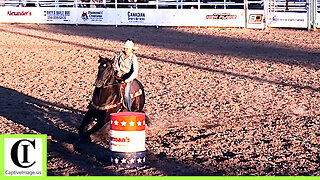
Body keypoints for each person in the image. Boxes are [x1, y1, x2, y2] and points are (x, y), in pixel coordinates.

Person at [114, 40, 139, 112]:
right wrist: (118, 71)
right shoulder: (121, 55)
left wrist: (128, 79)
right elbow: (117, 64)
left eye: (128, 48)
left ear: (132, 49)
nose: (126, 50)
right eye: (125, 48)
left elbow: (135, 72)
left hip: (127, 77)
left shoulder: (133, 58)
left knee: (126, 95)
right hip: (119, 75)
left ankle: (129, 109)